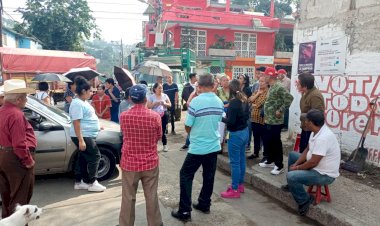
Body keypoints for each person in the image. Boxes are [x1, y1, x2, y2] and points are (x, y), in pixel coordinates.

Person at [171, 74, 224, 222]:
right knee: (208, 176)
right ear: (213, 85)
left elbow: (188, 125)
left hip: (198, 147)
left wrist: (193, 133)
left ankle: (185, 211)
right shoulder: (219, 101)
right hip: (213, 145)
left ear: (199, 86)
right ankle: (204, 203)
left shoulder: (195, 102)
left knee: (185, 175)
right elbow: (218, 121)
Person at [281, 109, 340, 216]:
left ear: (311, 123)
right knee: (293, 155)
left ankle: (304, 200)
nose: (304, 123)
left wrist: (297, 168)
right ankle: (292, 186)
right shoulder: (316, 131)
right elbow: (308, 149)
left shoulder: (323, 138)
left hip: (323, 174)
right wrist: (296, 163)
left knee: (291, 176)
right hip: (316, 166)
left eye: (306, 121)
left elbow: (313, 163)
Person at [119, 84, 163, 226]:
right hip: (150, 163)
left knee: (128, 197)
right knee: (151, 196)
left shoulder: (124, 116)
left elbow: (124, 135)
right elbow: (158, 137)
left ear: (130, 98)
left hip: (129, 163)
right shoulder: (155, 116)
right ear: (145, 98)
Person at [0, 79, 36, 218]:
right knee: (20, 198)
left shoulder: (2, 111)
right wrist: (28, 161)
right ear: (19, 99)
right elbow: (19, 144)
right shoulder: (16, 114)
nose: (26, 100)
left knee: (7, 195)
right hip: (15, 158)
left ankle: (7, 221)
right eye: (25, 97)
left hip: (4, 155)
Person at [70, 77, 106, 192]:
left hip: (86, 134)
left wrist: (97, 126)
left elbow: (87, 118)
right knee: (95, 156)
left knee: (83, 158)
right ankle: (92, 182)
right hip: (84, 135)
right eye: (90, 91)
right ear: (84, 91)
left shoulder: (82, 102)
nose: (91, 93)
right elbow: (76, 122)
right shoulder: (77, 103)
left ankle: (80, 181)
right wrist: (81, 140)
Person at [259, 67, 294, 175]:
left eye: (265, 75)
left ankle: (279, 165)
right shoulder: (272, 86)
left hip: (275, 121)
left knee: (276, 143)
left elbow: (289, 98)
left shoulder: (279, 86)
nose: (263, 77)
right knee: (268, 141)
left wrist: (281, 110)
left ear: (269, 76)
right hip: (269, 119)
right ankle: (270, 160)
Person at [220, 79, 249, 199]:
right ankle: (240, 185)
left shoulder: (233, 103)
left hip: (235, 134)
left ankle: (235, 188)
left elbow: (230, 122)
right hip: (244, 132)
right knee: (241, 160)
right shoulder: (244, 99)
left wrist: (221, 118)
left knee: (235, 163)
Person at [297, 72, 325, 153]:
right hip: (306, 127)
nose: (297, 85)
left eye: (298, 83)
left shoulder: (315, 96)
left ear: (305, 86)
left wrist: (302, 116)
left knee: (307, 151)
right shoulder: (306, 92)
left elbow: (318, 115)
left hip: (311, 130)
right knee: (302, 150)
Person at [247, 76, 269, 160]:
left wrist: (253, 103)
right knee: (255, 137)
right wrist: (257, 94)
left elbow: (260, 104)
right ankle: (256, 153)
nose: (260, 83)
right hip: (254, 118)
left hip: (262, 119)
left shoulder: (268, 93)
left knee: (264, 138)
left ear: (267, 83)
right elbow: (249, 100)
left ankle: (265, 155)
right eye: (259, 81)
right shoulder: (257, 91)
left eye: (262, 81)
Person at [147, 83, 171, 152]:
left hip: (164, 114)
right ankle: (154, 146)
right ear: (155, 89)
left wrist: (165, 103)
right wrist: (154, 104)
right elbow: (148, 106)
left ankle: (165, 145)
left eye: (161, 88)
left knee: (163, 130)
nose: (161, 89)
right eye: (159, 88)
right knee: (154, 131)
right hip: (154, 116)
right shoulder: (151, 97)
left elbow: (170, 104)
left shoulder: (165, 96)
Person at [180, 82, 199, 151]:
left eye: (198, 86)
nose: (197, 88)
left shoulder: (203, 94)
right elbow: (188, 103)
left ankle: (192, 143)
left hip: (199, 115)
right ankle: (187, 144)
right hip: (192, 113)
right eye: (196, 86)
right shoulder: (193, 93)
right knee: (190, 128)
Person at [238, 74, 253, 152]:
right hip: (240, 111)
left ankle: (248, 144)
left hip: (246, 112)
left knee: (248, 128)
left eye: (241, 78)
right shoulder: (238, 89)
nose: (239, 79)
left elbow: (248, 100)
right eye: (239, 78)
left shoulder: (247, 89)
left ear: (245, 81)